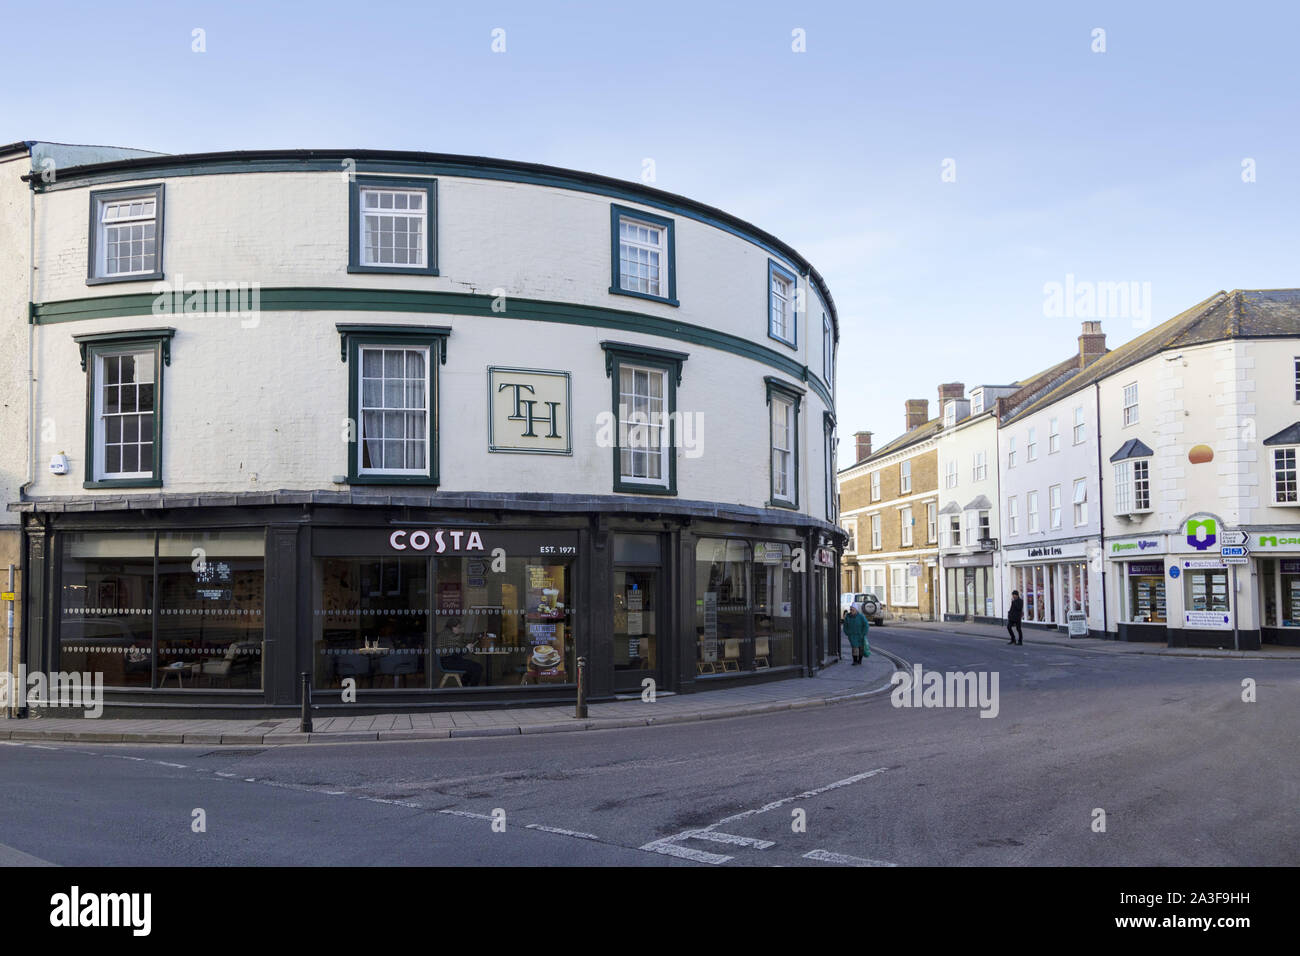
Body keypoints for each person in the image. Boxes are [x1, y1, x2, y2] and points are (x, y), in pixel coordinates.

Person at [437, 617, 483, 686]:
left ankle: (464, 685)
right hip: (448, 662)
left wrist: (467, 648)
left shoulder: (447, 633)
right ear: (452, 627)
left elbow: (457, 649)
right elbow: (455, 653)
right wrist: (467, 649)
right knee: (478, 668)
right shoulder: (449, 636)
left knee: (473, 667)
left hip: (450, 660)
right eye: (458, 627)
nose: (460, 629)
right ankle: (473, 689)